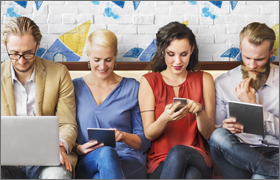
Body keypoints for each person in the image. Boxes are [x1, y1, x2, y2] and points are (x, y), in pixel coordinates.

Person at [1, 16, 78, 179]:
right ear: (6, 46)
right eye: (14, 54)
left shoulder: (59, 73)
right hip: (5, 160)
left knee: (58, 175)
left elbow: (68, 124)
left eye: (28, 53)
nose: (21, 61)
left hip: (47, 157)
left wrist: (61, 145)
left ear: (38, 46)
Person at [138, 21, 215, 179]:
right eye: (171, 54)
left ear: (192, 50)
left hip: (197, 156)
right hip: (160, 162)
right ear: (162, 52)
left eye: (184, 54)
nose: (178, 61)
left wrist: (200, 111)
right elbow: (149, 134)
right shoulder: (149, 81)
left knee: (180, 151)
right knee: (192, 175)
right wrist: (165, 118)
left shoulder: (204, 79)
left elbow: (209, 134)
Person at [72, 29, 151, 179]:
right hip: (88, 160)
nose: (102, 66)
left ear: (115, 55)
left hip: (127, 160)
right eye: (97, 60)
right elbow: (64, 129)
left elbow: (145, 142)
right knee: (106, 152)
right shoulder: (74, 88)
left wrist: (123, 136)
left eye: (108, 60)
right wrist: (78, 148)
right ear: (88, 55)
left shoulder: (133, 88)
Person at [209, 22, 279, 179]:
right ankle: (274, 171)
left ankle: (266, 171)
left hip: (276, 151)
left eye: (259, 59)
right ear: (240, 48)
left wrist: (253, 107)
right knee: (218, 135)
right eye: (247, 57)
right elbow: (216, 132)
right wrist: (225, 127)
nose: (252, 65)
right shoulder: (223, 83)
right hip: (239, 153)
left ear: (271, 53)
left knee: (259, 177)